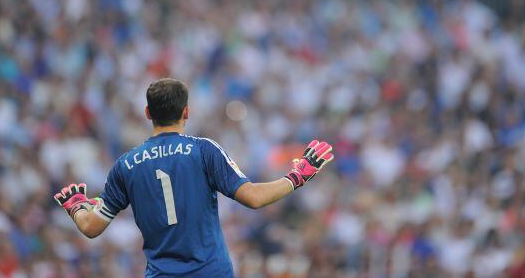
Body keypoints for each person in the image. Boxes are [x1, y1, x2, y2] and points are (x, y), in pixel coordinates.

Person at [54, 78, 334, 278]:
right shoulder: (203, 150)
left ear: (148, 113)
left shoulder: (125, 165)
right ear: (186, 112)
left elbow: (91, 227)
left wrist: (77, 207)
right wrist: (297, 176)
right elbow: (254, 198)